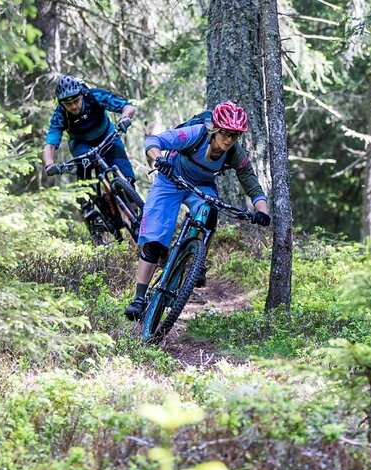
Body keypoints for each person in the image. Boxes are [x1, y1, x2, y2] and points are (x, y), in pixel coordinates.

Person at [124, 100, 271, 320]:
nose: (229, 140)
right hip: (170, 179)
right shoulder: (195, 134)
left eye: (235, 135)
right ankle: (138, 297)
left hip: (201, 186)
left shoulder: (234, 153)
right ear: (215, 129)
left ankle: (197, 260)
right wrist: (159, 159)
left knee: (211, 210)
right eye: (225, 133)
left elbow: (250, 181)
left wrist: (263, 211)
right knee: (154, 239)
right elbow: (154, 141)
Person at [41, 76, 139, 230]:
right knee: (83, 169)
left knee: (126, 174)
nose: (73, 106)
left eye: (76, 101)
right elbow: (51, 143)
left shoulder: (94, 96)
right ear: (62, 104)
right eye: (68, 104)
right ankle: (87, 206)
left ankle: (136, 217)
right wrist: (49, 164)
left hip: (107, 134)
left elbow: (127, 107)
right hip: (81, 142)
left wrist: (124, 118)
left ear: (82, 95)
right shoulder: (60, 114)